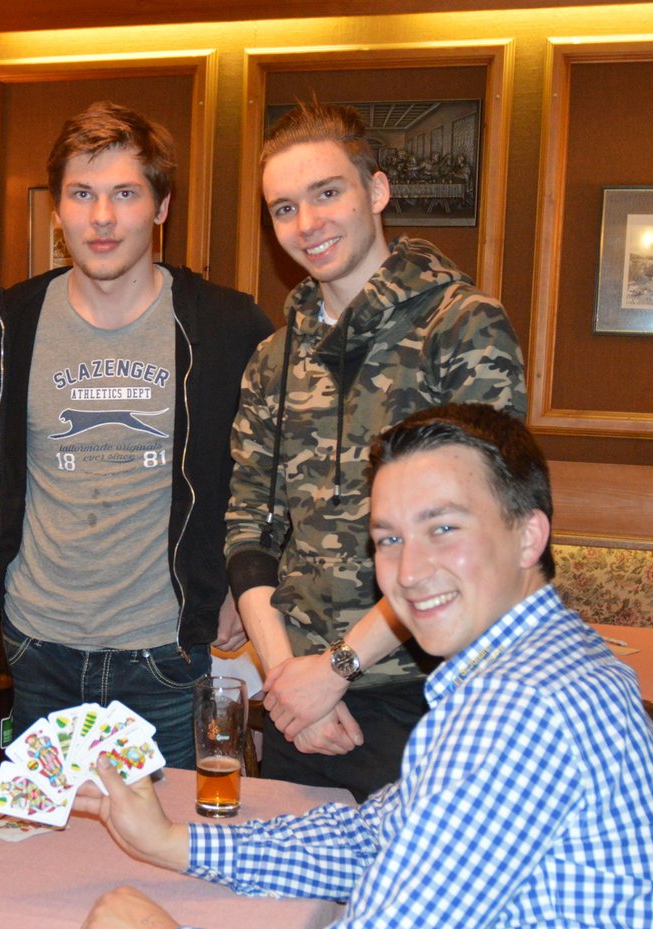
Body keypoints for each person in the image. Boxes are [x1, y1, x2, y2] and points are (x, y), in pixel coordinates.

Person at [73, 403, 653, 929]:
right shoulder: (539, 665)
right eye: (388, 539)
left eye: (443, 527)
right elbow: (372, 840)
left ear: (529, 536)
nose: (409, 571)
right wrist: (171, 843)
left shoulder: (520, 707)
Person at [0, 101, 272, 767]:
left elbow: (272, 468)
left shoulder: (228, 326)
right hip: (31, 651)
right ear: (57, 209)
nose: (101, 217)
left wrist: (248, 576)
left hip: (166, 659)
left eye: (125, 194)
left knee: (164, 836)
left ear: (161, 207)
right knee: (24, 830)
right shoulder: (7, 324)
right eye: (81, 194)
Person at [226, 100, 526, 804]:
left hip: (436, 697)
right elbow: (248, 529)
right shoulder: (273, 357)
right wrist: (289, 682)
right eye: (284, 208)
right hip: (302, 709)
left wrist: (337, 668)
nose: (308, 223)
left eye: (327, 193)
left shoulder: (463, 327)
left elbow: (473, 532)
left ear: (377, 191)